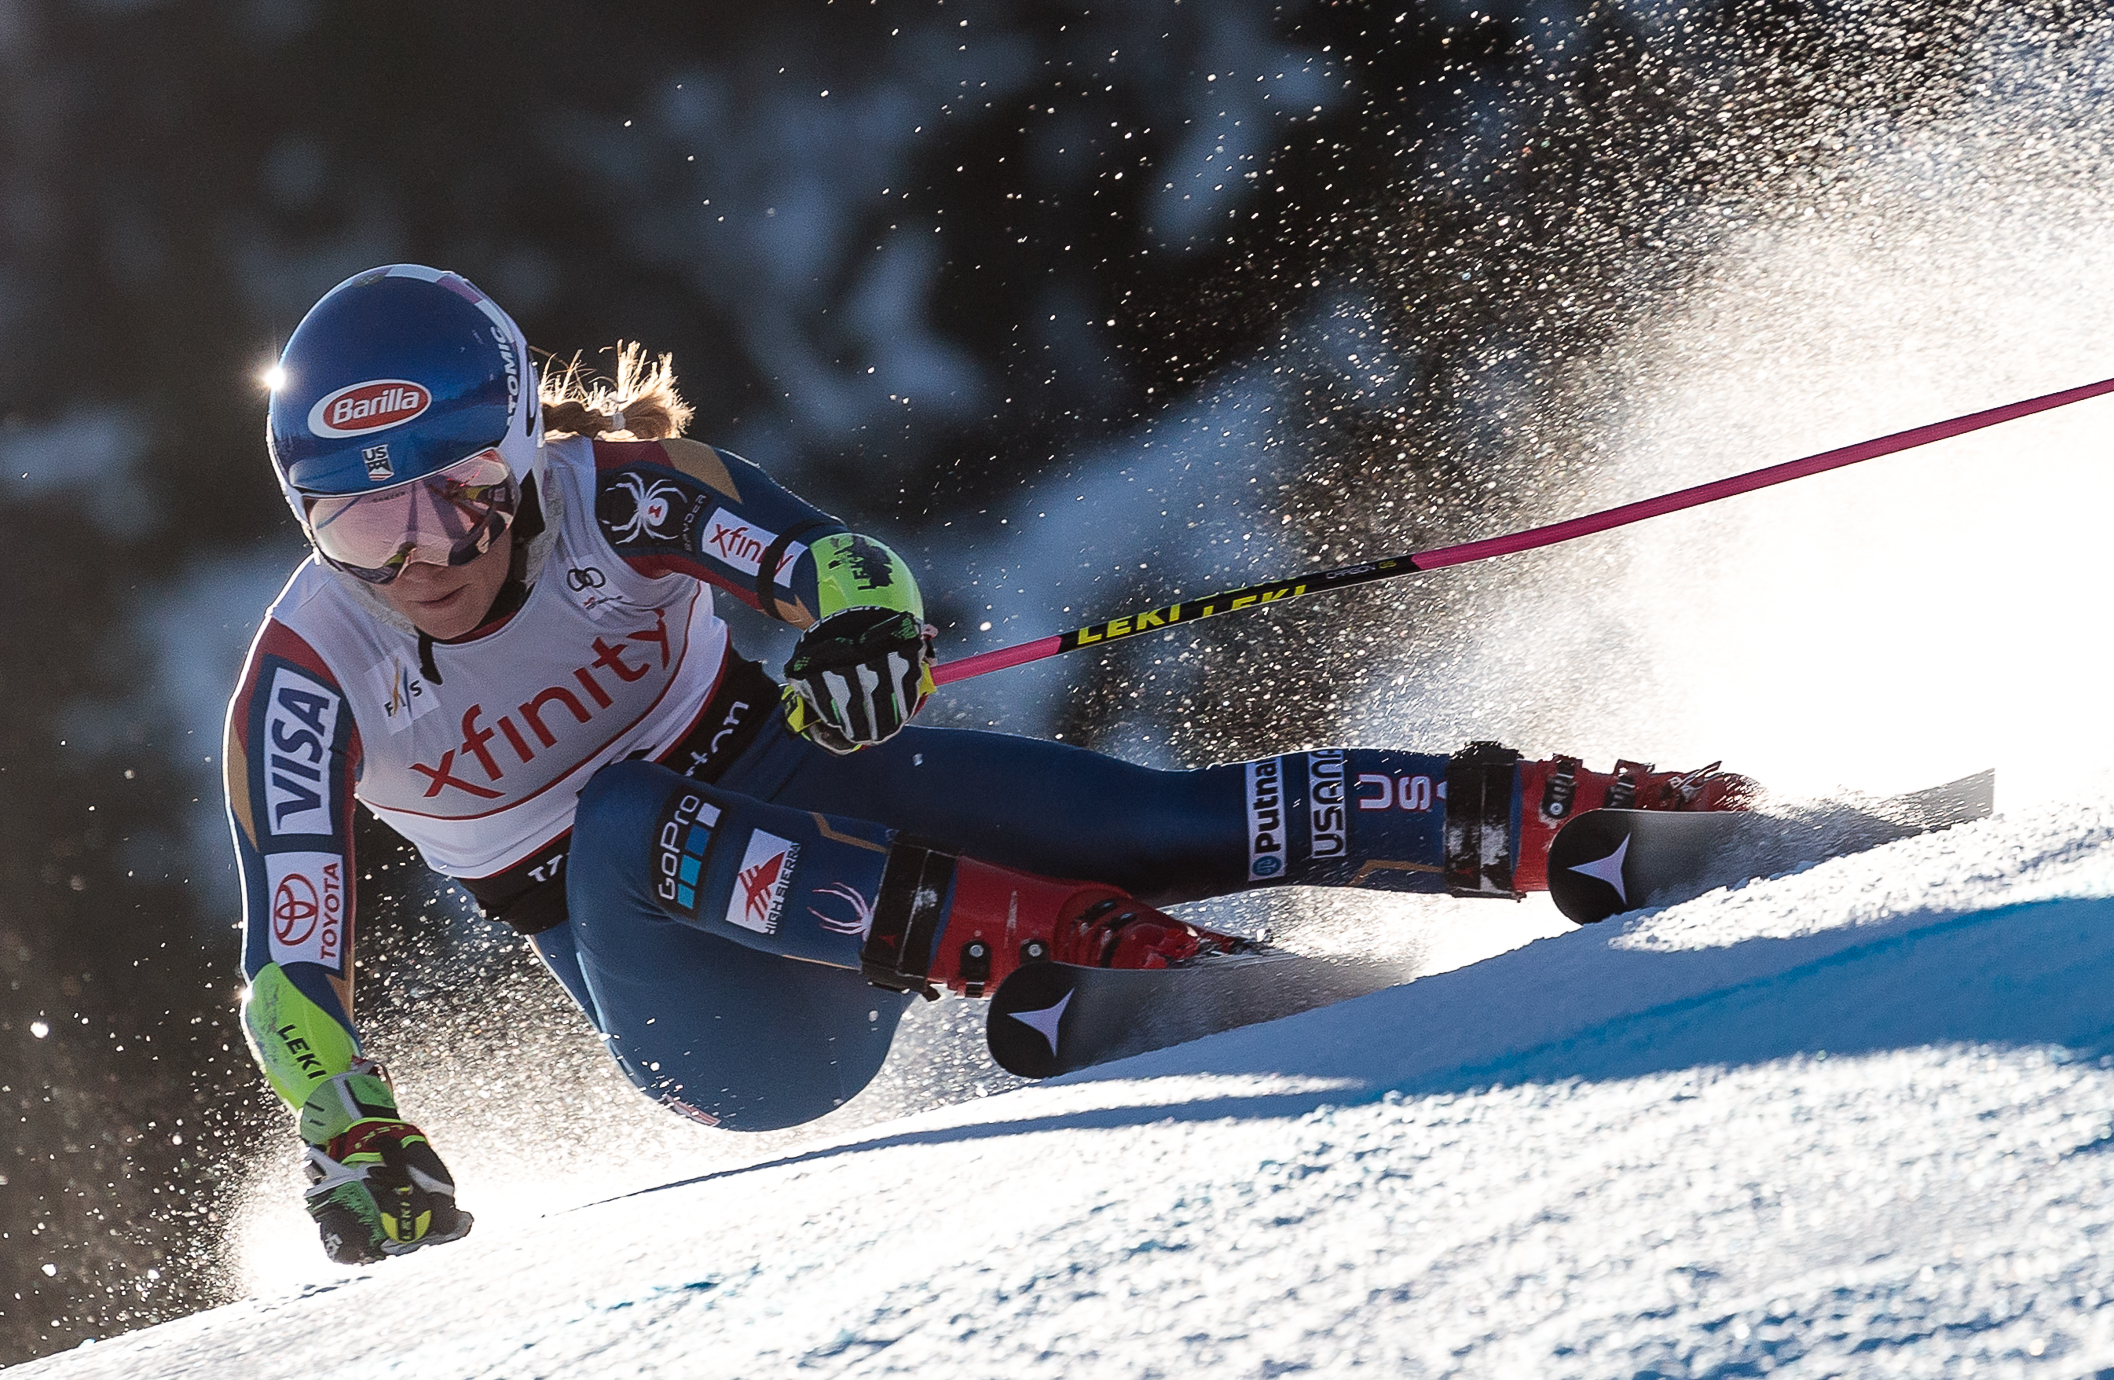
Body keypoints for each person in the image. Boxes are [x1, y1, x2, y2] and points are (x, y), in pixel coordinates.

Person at [224, 264, 1751, 1265]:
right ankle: (1072, 951)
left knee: (1150, 821)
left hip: (813, 807)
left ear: (515, 448)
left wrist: (854, 634)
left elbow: (831, 561)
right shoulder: (309, 677)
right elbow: (289, 971)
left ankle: (1548, 819)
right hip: (724, 1025)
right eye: (358, 524)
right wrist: (353, 1128)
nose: (417, 556)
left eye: (453, 494)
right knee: (624, 812)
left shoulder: (613, 494)